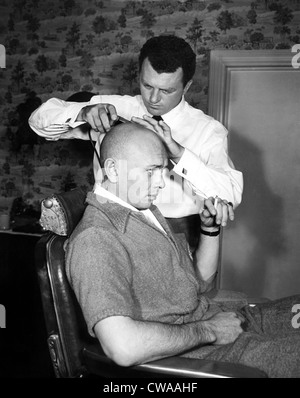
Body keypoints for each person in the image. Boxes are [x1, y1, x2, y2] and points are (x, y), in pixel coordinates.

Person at [65, 121, 300, 378]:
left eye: (163, 171)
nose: (161, 183)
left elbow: (199, 284)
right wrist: (210, 330)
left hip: (228, 322)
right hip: (208, 353)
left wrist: (209, 229)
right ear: (113, 169)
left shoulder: (145, 211)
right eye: (151, 171)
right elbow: (122, 347)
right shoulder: (96, 238)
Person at [29, 35, 243, 249]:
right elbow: (38, 122)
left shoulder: (208, 131)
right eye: (147, 85)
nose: (153, 98)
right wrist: (82, 112)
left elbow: (230, 194)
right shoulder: (116, 106)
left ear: (186, 86)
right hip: (107, 234)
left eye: (167, 90)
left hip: (176, 242)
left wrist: (179, 154)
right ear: (139, 75)